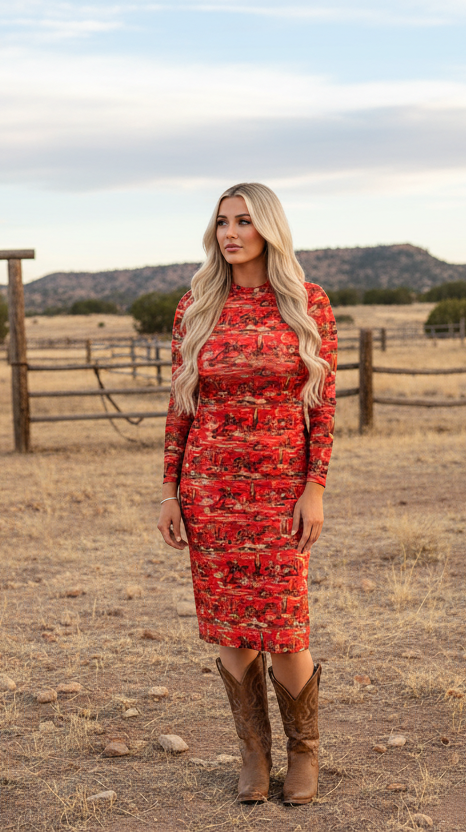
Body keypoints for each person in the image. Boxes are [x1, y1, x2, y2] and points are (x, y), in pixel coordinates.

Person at [157, 182, 337, 805]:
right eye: (222, 222)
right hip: (211, 490)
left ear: (269, 228)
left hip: (281, 490)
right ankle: (254, 755)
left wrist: (314, 488)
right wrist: (169, 491)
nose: (230, 233)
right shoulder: (196, 306)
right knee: (232, 630)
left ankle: (304, 753)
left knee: (286, 628)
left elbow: (323, 406)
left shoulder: (308, 302)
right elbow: (180, 405)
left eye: (244, 221)